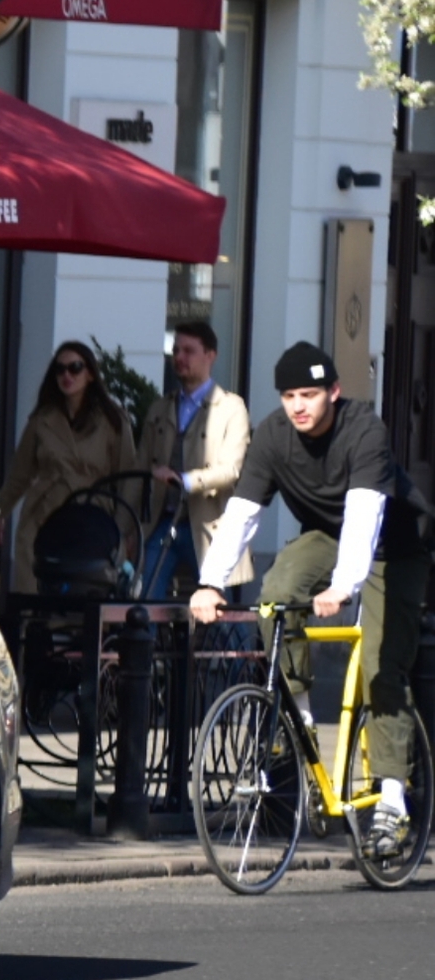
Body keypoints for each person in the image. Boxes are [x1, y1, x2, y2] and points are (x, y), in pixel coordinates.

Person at [190, 343, 430, 852]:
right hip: (326, 532)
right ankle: (296, 718)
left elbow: (365, 516)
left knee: (381, 667)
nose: (298, 406)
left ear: (334, 394)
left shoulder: (363, 430)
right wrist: (210, 581)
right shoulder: (275, 436)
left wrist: (345, 584)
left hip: (395, 546)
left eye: (310, 395)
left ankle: (391, 801)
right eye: (290, 396)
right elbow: (242, 513)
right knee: (276, 592)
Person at [0, 340, 136, 595]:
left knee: (87, 587)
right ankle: (34, 627)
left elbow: (127, 479)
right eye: (60, 370)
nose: (67, 375)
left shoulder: (114, 420)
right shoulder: (42, 420)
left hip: (92, 512)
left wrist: (124, 528)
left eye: (75, 368)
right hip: (45, 509)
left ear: (90, 374)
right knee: (33, 584)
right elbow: (20, 475)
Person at [139, 320, 251, 598]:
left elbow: (232, 469)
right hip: (163, 522)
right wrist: (127, 529)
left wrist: (185, 480)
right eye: (176, 350)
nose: (179, 357)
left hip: (210, 524)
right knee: (144, 605)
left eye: (188, 351)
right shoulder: (160, 407)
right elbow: (139, 469)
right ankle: (147, 644)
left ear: (210, 355)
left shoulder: (231, 408)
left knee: (221, 612)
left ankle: (241, 645)